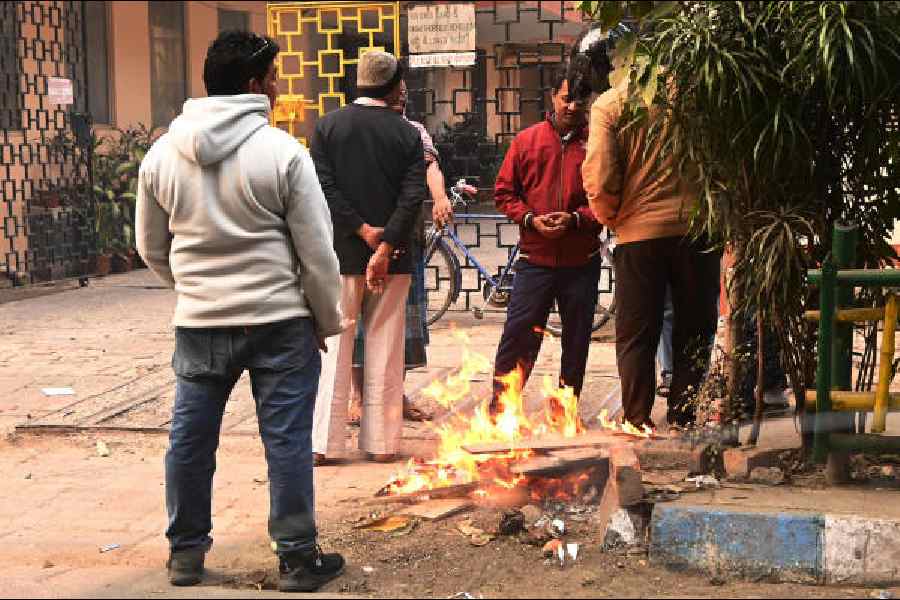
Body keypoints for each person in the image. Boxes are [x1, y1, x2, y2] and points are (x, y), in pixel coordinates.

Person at [136, 30, 346, 592]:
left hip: (200, 323)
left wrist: (194, 290)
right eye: (274, 78)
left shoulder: (160, 156)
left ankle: (185, 555)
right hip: (280, 322)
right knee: (285, 442)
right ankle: (298, 560)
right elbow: (317, 253)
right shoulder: (282, 153)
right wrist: (326, 320)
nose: (278, 88)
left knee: (190, 439)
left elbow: (150, 248)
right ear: (255, 85)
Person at [579, 26, 721, 431]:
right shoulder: (695, 97)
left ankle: (638, 419)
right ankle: (683, 416)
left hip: (639, 237)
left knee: (637, 332)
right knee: (695, 328)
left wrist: (612, 218)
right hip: (699, 231)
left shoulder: (611, 104)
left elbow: (601, 175)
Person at [310, 51, 426, 463]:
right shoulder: (407, 133)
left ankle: (323, 444)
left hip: (340, 255)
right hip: (394, 258)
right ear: (395, 86)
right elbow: (413, 196)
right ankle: (381, 444)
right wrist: (385, 245)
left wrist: (361, 230)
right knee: (386, 345)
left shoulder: (327, 127)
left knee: (335, 346)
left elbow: (324, 189)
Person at [490, 69, 603, 414]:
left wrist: (576, 219)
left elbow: (608, 197)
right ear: (552, 96)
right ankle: (501, 409)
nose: (572, 105)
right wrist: (529, 219)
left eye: (579, 99)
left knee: (576, 339)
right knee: (519, 334)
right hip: (535, 259)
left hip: (581, 259)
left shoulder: (597, 143)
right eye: (566, 97)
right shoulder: (527, 141)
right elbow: (504, 192)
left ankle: (565, 411)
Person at [344, 80, 453, 426]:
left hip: (405, 241)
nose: (403, 95)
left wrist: (439, 198)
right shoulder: (352, 128)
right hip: (361, 240)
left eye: (406, 91)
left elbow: (430, 166)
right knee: (360, 323)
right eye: (397, 90)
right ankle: (359, 397)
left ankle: (395, 394)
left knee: (403, 325)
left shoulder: (413, 132)